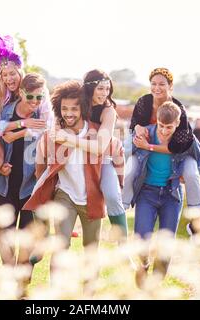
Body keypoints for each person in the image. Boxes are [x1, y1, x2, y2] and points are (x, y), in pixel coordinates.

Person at [24, 80, 122, 293]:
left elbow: (117, 158)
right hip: (64, 196)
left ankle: (89, 296)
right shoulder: (54, 133)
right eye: (64, 108)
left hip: (92, 199)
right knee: (60, 247)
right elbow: (41, 166)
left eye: (74, 108)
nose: (68, 113)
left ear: (83, 108)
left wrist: (117, 188)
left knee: (91, 251)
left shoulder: (97, 133)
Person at [0, 32, 53, 231]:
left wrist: (22, 130)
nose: (9, 78)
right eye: (4, 75)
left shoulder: (33, 89)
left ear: (20, 71)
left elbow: (46, 121)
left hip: (27, 142)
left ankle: (60, 219)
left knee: (48, 166)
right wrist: (17, 125)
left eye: (12, 73)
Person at [131, 101, 200, 287]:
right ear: (157, 121)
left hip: (172, 195)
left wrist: (189, 174)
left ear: (178, 123)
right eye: (161, 126)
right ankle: (144, 264)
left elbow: (199, 156)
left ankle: (155, 288)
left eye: (169, 127)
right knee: (141, 238)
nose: (164, 131)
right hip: (147, 193)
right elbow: (128, 152)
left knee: (166, 245)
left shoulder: (185, 139)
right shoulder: (146, 133)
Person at [0, 73, 48, 297]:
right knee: (3, 233)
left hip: (30, 185)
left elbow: (48, 135)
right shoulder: (5, 112)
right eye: (30, 96)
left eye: (39, 97)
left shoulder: (43, 114)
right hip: (6, 183)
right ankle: (8, 273)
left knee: (28, 235)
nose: (34, 102)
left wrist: (20, 132)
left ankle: (22, 282)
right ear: (21, 92)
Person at [51, 70, 127, 242]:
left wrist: (68, 139)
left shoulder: (108, 111)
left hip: (102, 159)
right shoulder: (78, 101)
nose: (105, 93)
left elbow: (100, 147)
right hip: (75, 158)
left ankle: (123, 243)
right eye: (100, 89)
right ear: (89, 88)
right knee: (46, 184)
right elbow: (58, 122)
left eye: (107, 89)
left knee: (113, 196)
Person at [129, 67, 200, 237]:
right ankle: (123, 201)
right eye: (153, 84)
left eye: (162, 84)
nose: (157, 88)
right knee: (130, 163)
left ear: (170, 86)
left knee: (191, 174)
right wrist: (139, 127)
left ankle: (196, 221)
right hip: (149, 143)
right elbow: (133, 125)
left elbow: (179, 146)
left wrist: (147, 146)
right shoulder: (144, 102)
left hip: (183, 149)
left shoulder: (178, 107)